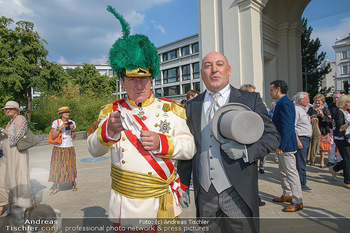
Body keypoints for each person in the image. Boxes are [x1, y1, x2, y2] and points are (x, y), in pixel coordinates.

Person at [87, 6, 195, 232]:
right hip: (124, 206)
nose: (139, 85)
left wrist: (162, 143)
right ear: (122, 80)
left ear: (151, 78)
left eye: (144, 78)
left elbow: (190, 148)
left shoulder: (171, 109)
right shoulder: (110, 111)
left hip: (160, 205)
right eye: (132, 79)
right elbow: (94, 150)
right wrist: (108, 131)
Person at [177, 51, 280, 233]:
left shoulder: (250, 100)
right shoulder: (191, 106)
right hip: (204, 193)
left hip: (238, 191)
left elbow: (272, 137)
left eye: (219, 64)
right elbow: (188, 149)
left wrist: (247, 152)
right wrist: (183, 184)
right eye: (208, 66)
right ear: (202, 73)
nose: (214, 70)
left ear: (229, 70)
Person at [270, 80, 303, 212]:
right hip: (283, 144)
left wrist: (281, 146)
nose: (270, 92)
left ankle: (297, 200)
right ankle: (287, 194)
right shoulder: (281, 103)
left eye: (272, 90)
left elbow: (287, 127)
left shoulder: (285, 103)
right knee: (283, 171)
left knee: (291, 173)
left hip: (286, 145)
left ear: (278, 89)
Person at [0, 101, 34, 216]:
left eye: (10, 109)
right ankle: (7, 203)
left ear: (16, 110)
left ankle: (24, 204)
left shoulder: (20, 119)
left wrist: (1, 130)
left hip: (18, 154)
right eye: (6, 109)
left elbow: (15, 137)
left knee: (19, 177)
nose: (7, 111)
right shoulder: (10, 122)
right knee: (4, 178)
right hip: (7, 155)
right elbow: (5, 139)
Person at [48, 106, 77, 195]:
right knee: (56, 166)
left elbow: (74, 137)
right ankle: (57, 187)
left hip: (69, 146)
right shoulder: (56, 122)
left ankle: (73, 183)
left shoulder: (72, 122)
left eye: (68, 112)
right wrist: (60, 128)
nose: (67, 114)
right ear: (61, 114)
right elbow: (53, 136)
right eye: (65, 112)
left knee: (71, 165)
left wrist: (73, 129)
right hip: (58, 147)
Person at [329, 94, 350, 189]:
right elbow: (340, 128)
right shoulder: (339, 113)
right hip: (341, 138)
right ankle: (347, 181)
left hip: (348, 137)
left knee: (347, 159)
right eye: (348, 102)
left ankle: (334, 168)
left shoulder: (348, 112)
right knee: (347, 159)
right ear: (343, 103)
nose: (349, 104)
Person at [293, 92, 312, 192]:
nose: (308, 101)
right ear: (300, 101)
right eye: (306, 99)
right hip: (301, 138)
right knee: (301, 162)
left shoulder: (302, 110)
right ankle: (302, 183)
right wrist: (298, 141)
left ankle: (301, 181)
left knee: (302, 160)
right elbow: (293, 126)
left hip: (305, 138)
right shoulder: (297, 110)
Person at [307, 94, 332, 168]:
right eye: (316, 100)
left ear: (322, 101)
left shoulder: (325, 109)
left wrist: (322, 116)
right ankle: (312, 159)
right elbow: (306, 117)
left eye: (319, 101)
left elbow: (330, 120)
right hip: (313, 129)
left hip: (322, 129)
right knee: (312, 144)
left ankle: (322, 161)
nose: (317, 102)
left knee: (322, 147)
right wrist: (311, 118)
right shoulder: (311, 109)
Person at [328, 92, 342, 166]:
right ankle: (331, 160)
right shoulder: (331, 106)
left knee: (340, 144)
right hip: (332, 127)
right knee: (331, 144)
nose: (335, 99)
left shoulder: (342, 106)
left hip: (341, 128)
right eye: (334, 98)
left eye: (337, 98)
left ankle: (339, 160)